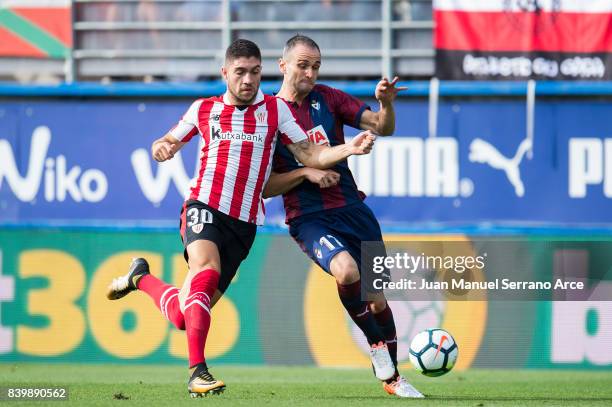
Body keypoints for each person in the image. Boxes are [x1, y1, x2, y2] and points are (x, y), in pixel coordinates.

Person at [106, 38, 376, 398]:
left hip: (244, 223)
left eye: (254, 72)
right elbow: (168, 140)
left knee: (185, 317)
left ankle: (140, 278)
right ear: (225, 73)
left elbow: (310, 153)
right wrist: (163, 147)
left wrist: (348, 148)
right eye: (240, 72)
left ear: (262, 71)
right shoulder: (203, 109)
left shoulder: (275, 111)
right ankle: (197, 372)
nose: (248, 80)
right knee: (205, 271)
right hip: (203, 206)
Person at [263, 34, 423, 398]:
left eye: (316, 66)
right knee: (347, 270)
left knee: (378, 298)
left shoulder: (329, 98)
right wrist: (305, 173)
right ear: (283, 64)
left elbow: (382, 127)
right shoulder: (269, 115)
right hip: (310, 218)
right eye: (303, 64)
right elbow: (266, 187)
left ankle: (394, 380)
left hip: (354, 210)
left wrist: (386, 104)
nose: (310, 72)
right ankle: (376, 346)